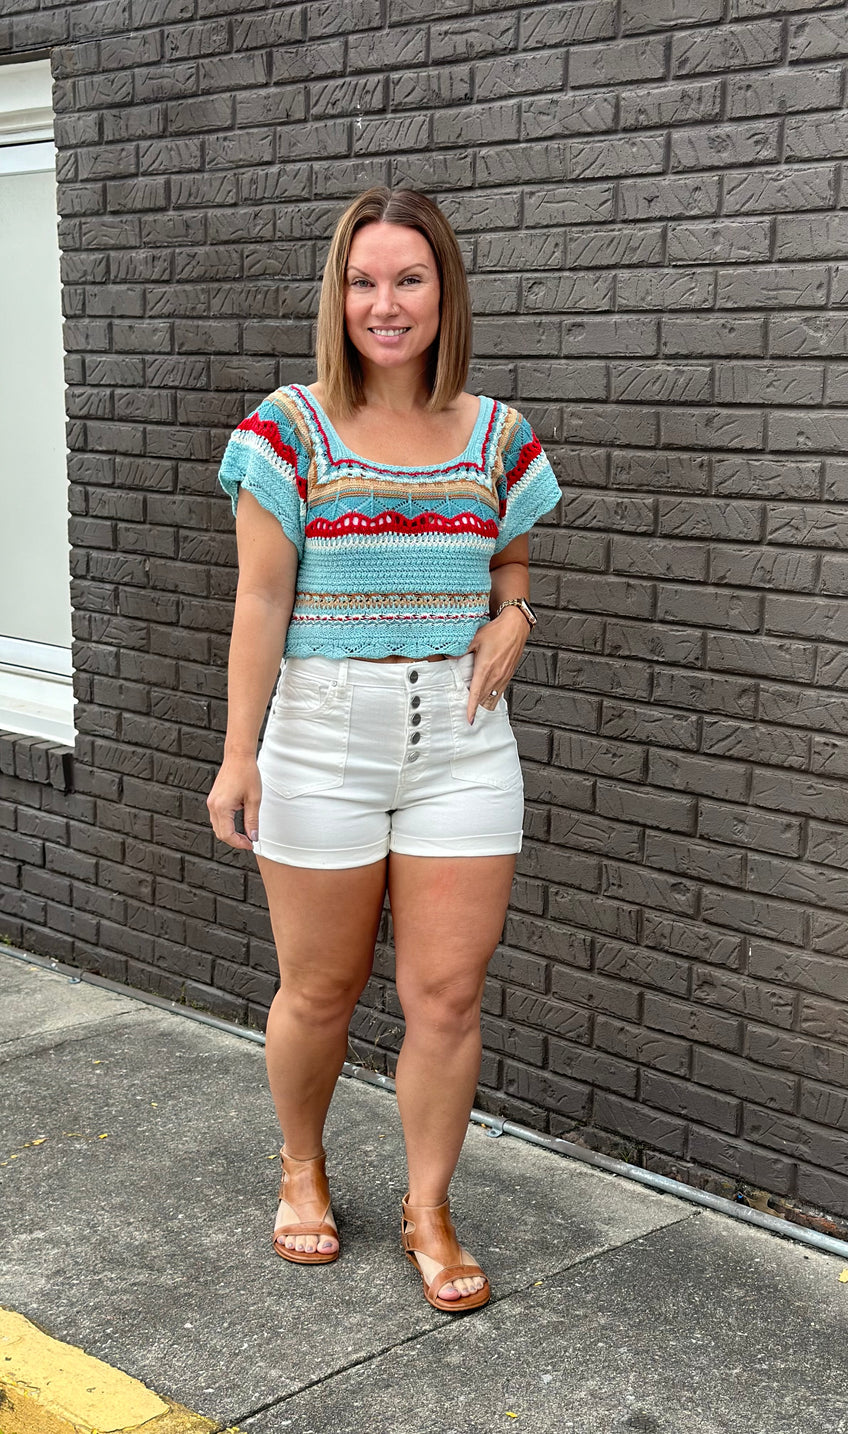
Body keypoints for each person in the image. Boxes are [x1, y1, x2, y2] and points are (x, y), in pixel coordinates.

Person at [206, 187, 561, 1313]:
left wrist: (515, 615)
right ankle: (303, 1167)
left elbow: (503, 561)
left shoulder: (496, 433)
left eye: (408, 279)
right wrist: (238, 755)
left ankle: (428, 1204)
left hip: (462, 742)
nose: (385, 302)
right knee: (321, 988)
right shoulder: (286, 430)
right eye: (363, 281)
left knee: (448, 995)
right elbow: (260, 602)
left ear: (443, 291)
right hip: (322, 738)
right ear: (338, 295)